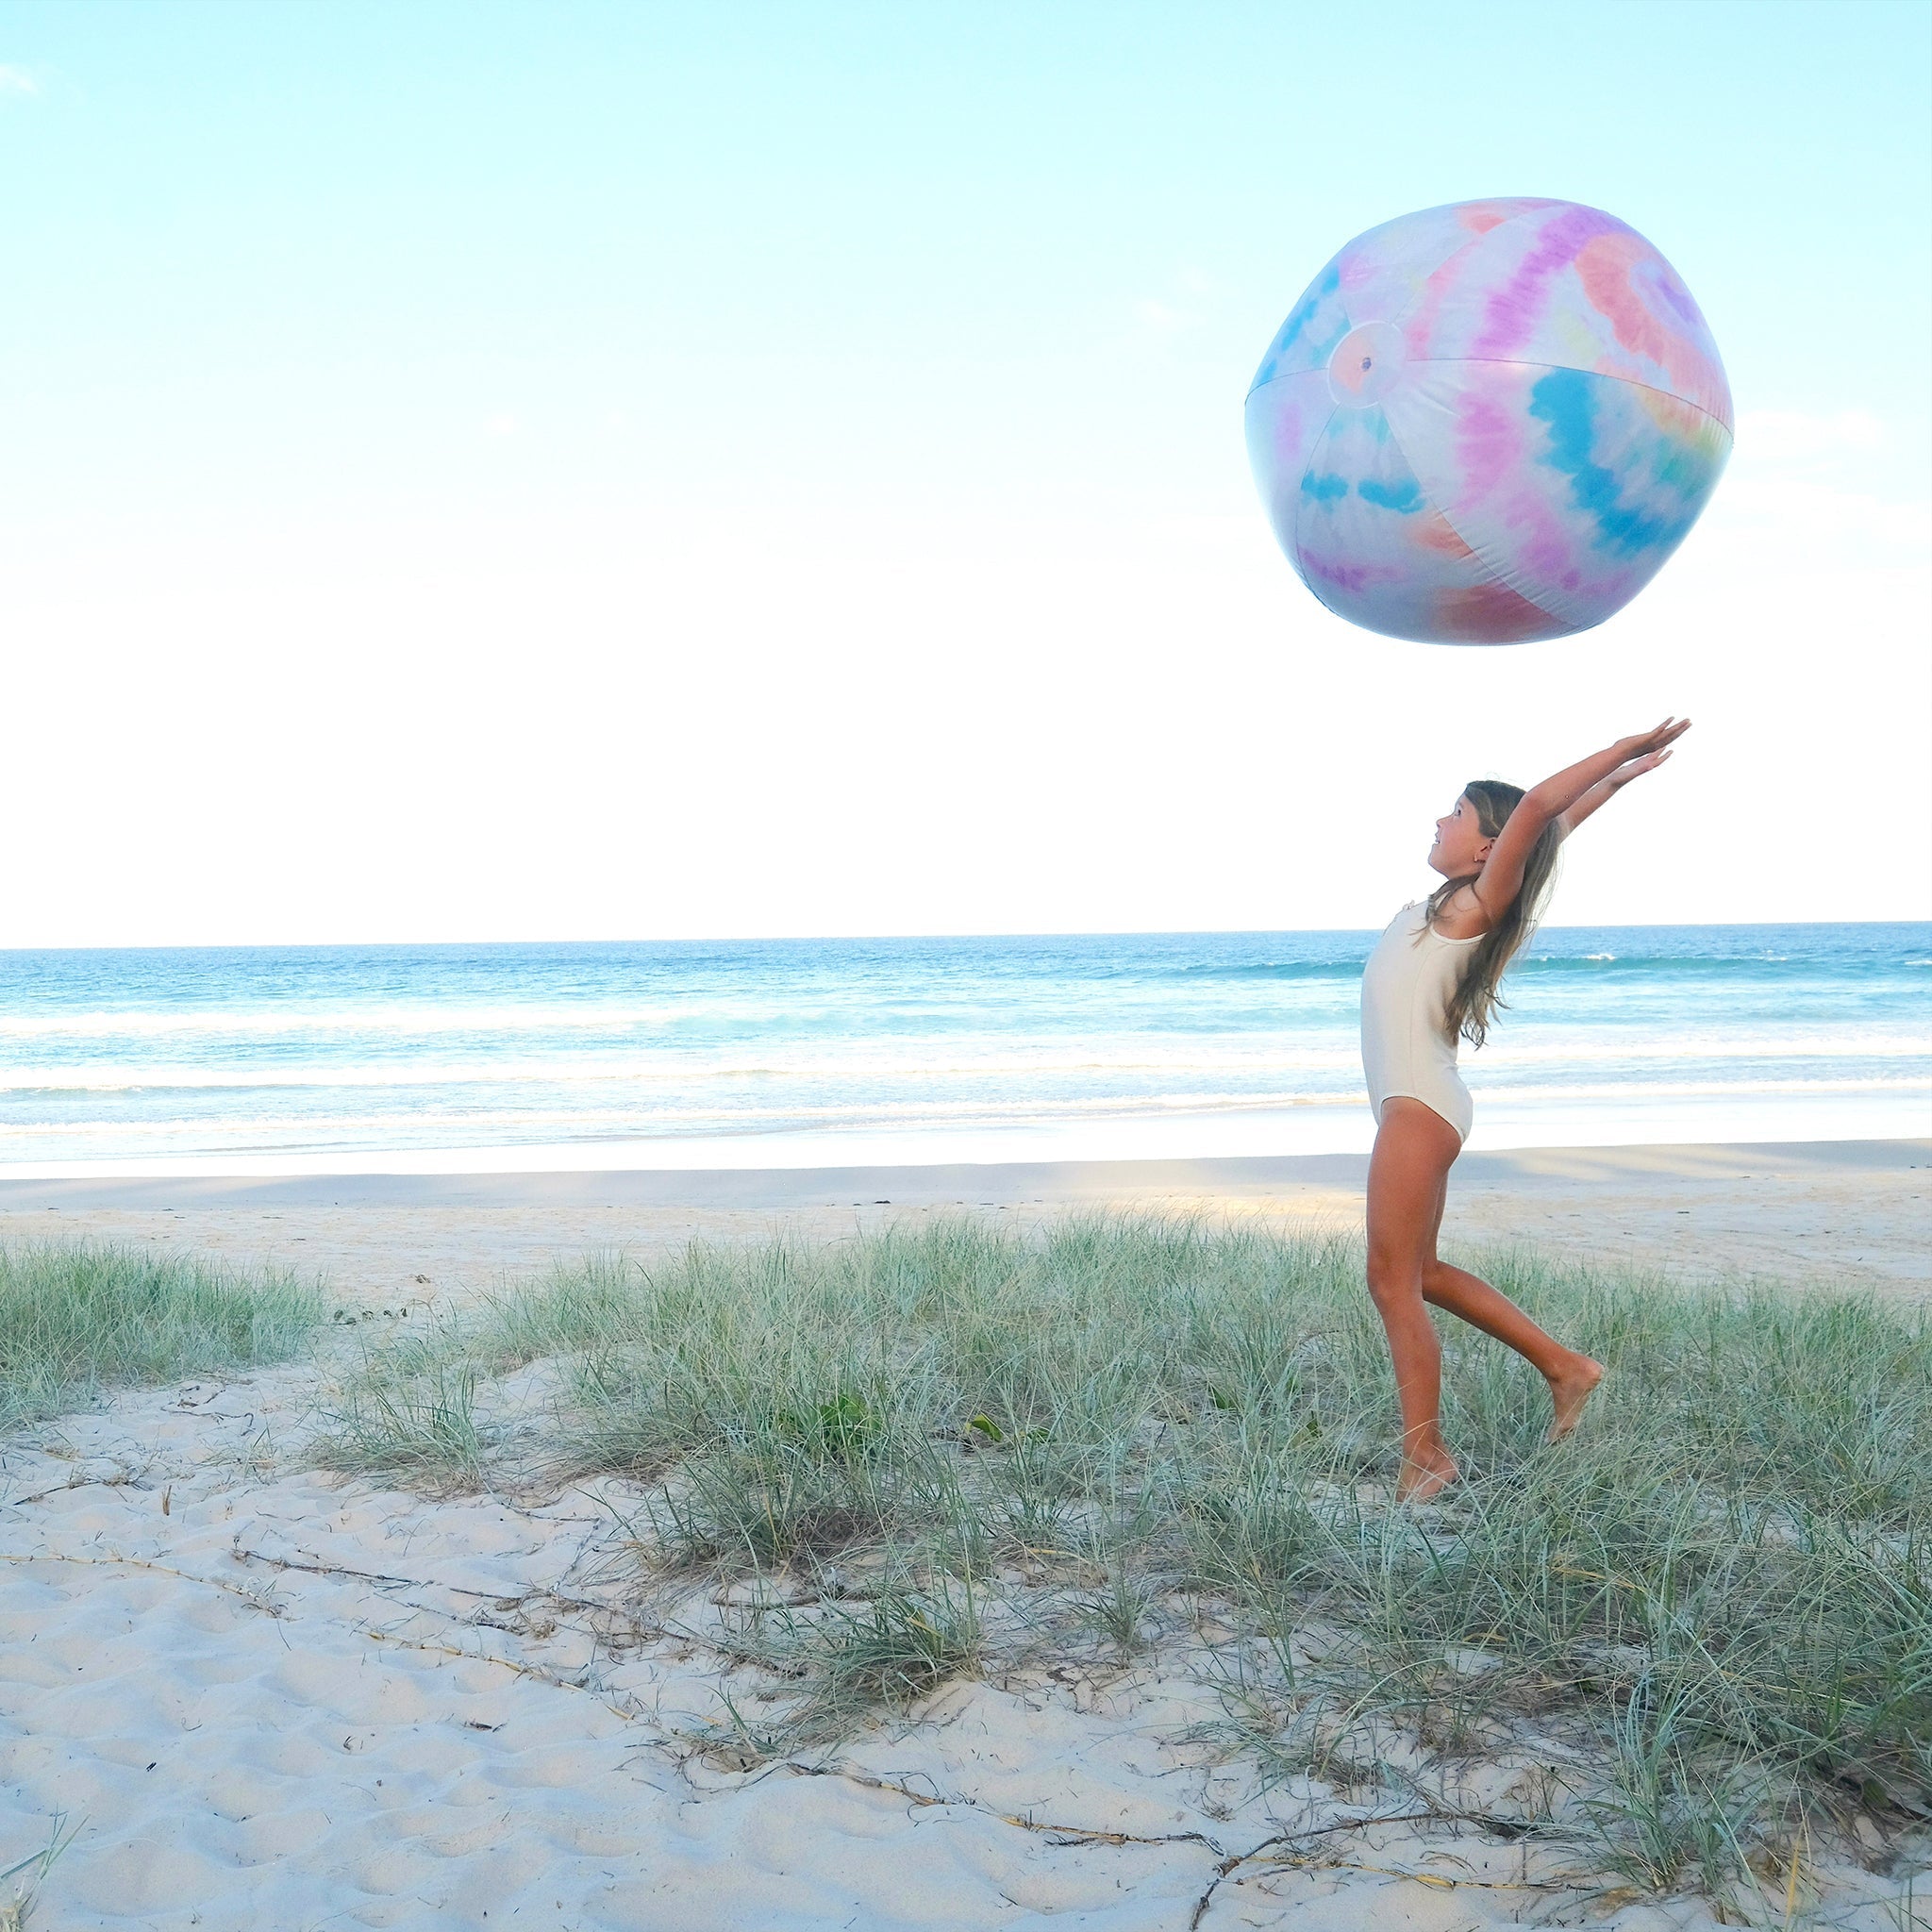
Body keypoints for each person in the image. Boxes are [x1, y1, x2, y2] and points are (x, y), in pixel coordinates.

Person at [1359, 718, 1692, 1501]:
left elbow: (1539, 812)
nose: (1441, 819)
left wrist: (1617, 751)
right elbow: (1549, 828)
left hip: (1417, 1109)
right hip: (1417, 1107)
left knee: (1390, 1281)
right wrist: (1617, 783)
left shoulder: (1474, 908)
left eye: (1457, 813)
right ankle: (1566, 1368)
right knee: (1423, 1273)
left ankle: (1426, 1458)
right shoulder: (1447, 904)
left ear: (1486, 851)